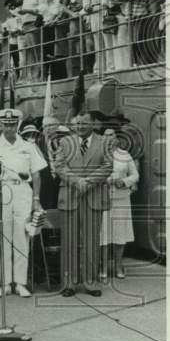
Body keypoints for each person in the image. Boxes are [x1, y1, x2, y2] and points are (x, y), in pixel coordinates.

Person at [0, 108, 47, 297]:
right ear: (0, 125)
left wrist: (36, 199)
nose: (8, 127)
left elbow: (36, 174)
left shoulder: (28, 146)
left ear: (17, 124)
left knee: (21, 237)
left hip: (23, 192)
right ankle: (5, 283)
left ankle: (20, 283)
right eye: (5, 124)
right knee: (2, 238)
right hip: (1, 192)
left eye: (12, 124)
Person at [53, 112, 113, 296]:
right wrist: (77, 181)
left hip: (93, 197)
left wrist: (88, 182)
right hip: (70, 197)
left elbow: (108, 166)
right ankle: (69, 283)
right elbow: (59, 166)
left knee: (91, 241)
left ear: (93, 124)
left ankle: (91, 282)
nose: (81, 126)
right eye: (78, 123)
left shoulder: (105, 142)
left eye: (85, 123)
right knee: (69, 241)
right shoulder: (65, 142)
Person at [100, 115, 138, 280]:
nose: (109, 138)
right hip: (102, 200)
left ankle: (118, 265)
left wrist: (123, 181)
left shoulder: (124, 155)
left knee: (119, 233)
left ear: (116, 138)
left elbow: (135, 175)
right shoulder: (97, 155)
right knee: (103, 234)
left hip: (121, 199)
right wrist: (106, 180)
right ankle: (102, 266)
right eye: (106, 136)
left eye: (112, 135)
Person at [20, 0, 49, 81]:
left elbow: (43, 10)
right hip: (26, 26)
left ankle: (41, 76)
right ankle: (31, 77)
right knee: (28, 53)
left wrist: (28, 11)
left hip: (34, 25)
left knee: (37, 51)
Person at [40, 0, 68, 80]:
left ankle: (58, 77)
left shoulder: (57, 3)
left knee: (56, 53)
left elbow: (59, 14)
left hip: (55, 30)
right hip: (45, 31)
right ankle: (47, 76)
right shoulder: (42, 6)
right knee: (46, 54)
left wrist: (53, 20)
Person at [1, 0, 23, 81]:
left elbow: (20, 28)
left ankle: (20, 77)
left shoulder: (19, 16)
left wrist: (14, 32)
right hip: (12, 43)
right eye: (9, 8)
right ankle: (9, 79)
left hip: (20, 42)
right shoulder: (8, 19)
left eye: (12, 7)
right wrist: (8, 32)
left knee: (19, 60)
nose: (10, 9)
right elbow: (4, 29)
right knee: (10, 60)